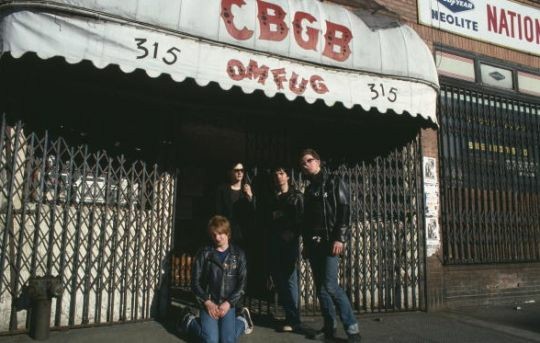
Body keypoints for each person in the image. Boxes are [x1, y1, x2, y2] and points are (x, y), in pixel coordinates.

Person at [299, 149, 361, 343]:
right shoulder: (309, 189)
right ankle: (329, 328)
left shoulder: (334, 181)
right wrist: (306, 244)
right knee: (321, 289)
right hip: (314, 243)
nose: (305, 165)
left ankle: (352, 330)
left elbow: (344, 209)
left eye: (308, 161)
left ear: (318, 161)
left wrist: (340, 238)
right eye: (302, 163)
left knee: (331, 286)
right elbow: (307, 220)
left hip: (330, 242)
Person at [178, 215, 254, 343]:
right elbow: (194, 283)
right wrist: (207, 302)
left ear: (228, 233)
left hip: (228, 303)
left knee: (227, 340)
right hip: (209, 302)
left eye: (220, 234)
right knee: (211, 340)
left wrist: (228, 303)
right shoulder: (204, 253)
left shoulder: (239, 254)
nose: (217, 238)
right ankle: (189, 320)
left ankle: (243, 320)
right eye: (214, 235)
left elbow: (242, 284)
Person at [267, 166, 306, 333]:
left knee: (290, 280)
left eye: (281, 173)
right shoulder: (273, 197)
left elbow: (301, 220)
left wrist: (291, 232)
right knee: (280, 281)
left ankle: (294, 319)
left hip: (289, 243)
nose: (278, 177)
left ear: (288, 177)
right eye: (275, 174)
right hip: (275, 243)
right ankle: (290, 315)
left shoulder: (296, 196)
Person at [215, 162, 255, 246]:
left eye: (242, 170)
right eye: (236, 170)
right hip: (226, 231)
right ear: (230, 172)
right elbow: (218, 212)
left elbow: (252, 214)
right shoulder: (222, 190)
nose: (240, 173)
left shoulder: (247, 190)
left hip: (242, 233)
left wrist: (250, 197)